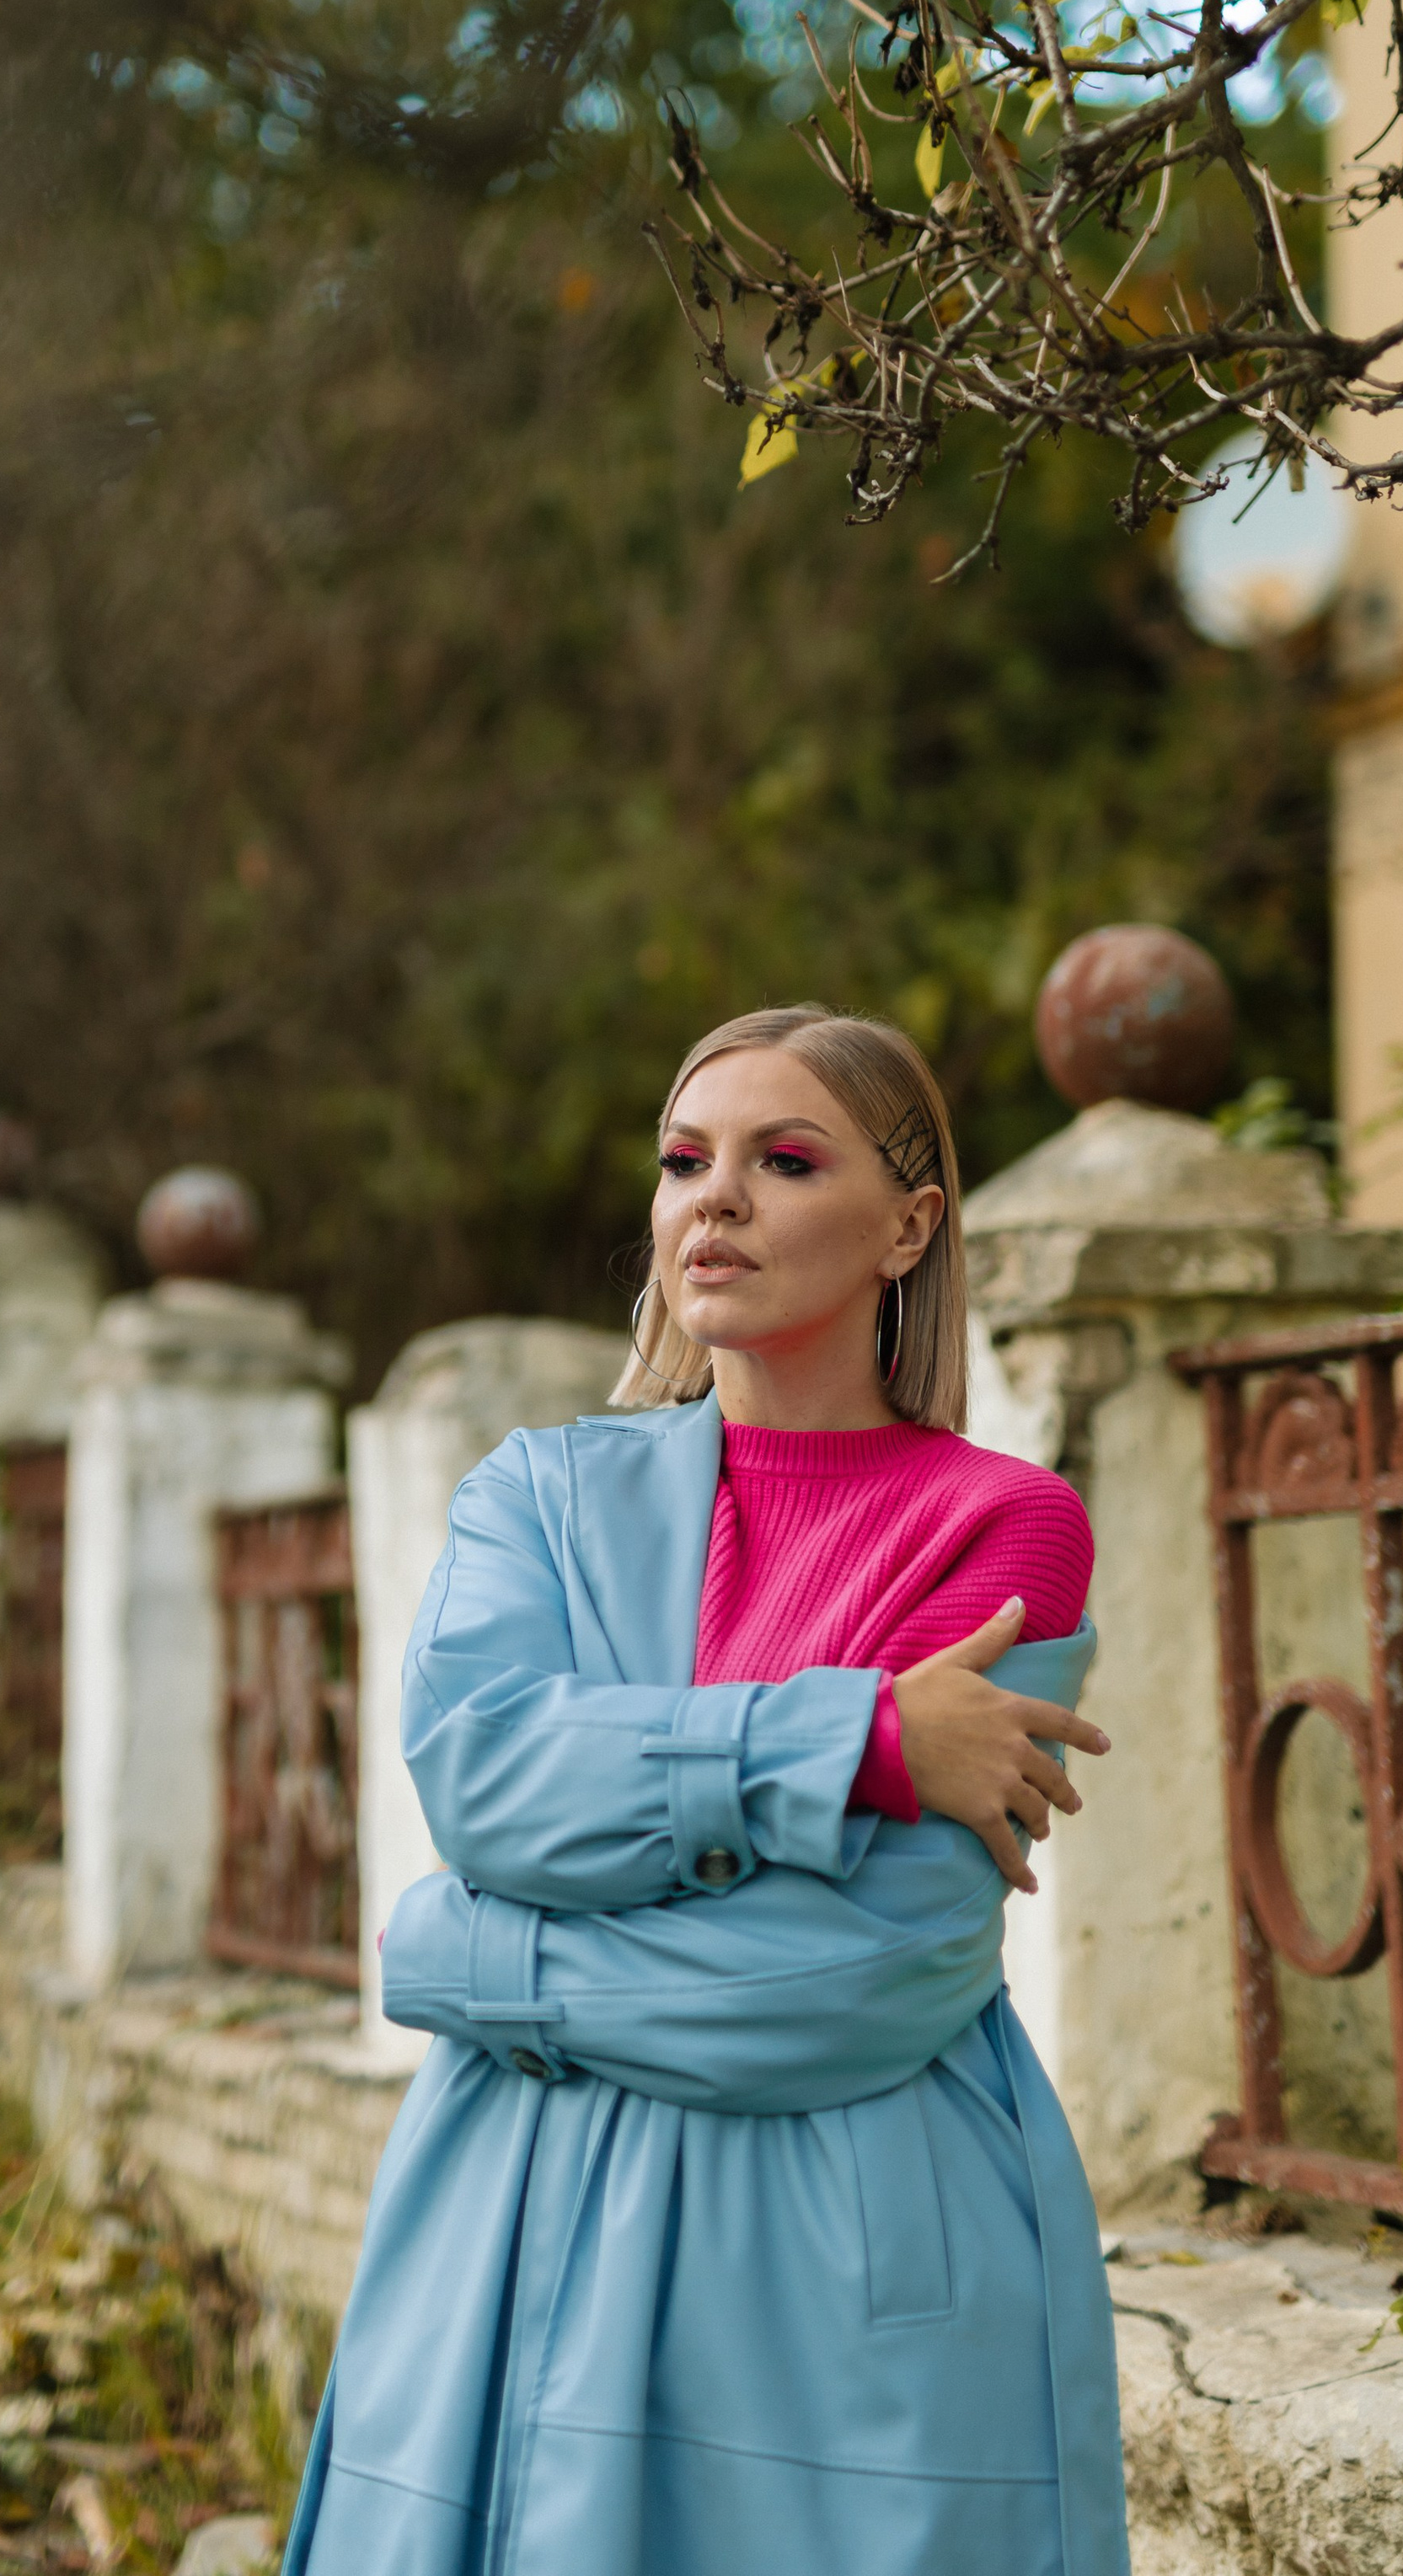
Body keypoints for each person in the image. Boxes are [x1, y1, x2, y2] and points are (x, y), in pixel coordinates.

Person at [283, 1004, 1128, 2576]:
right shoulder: (535, 1494)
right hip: (505, 2234)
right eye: (686, 1161)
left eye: (783, 1159)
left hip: (847, 2259)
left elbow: (857, 1970)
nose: (712, 1200)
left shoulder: (1003, 1530)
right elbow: (488, 1786)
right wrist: (858, 1743)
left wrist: (481, 1961)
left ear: (907, 1227)